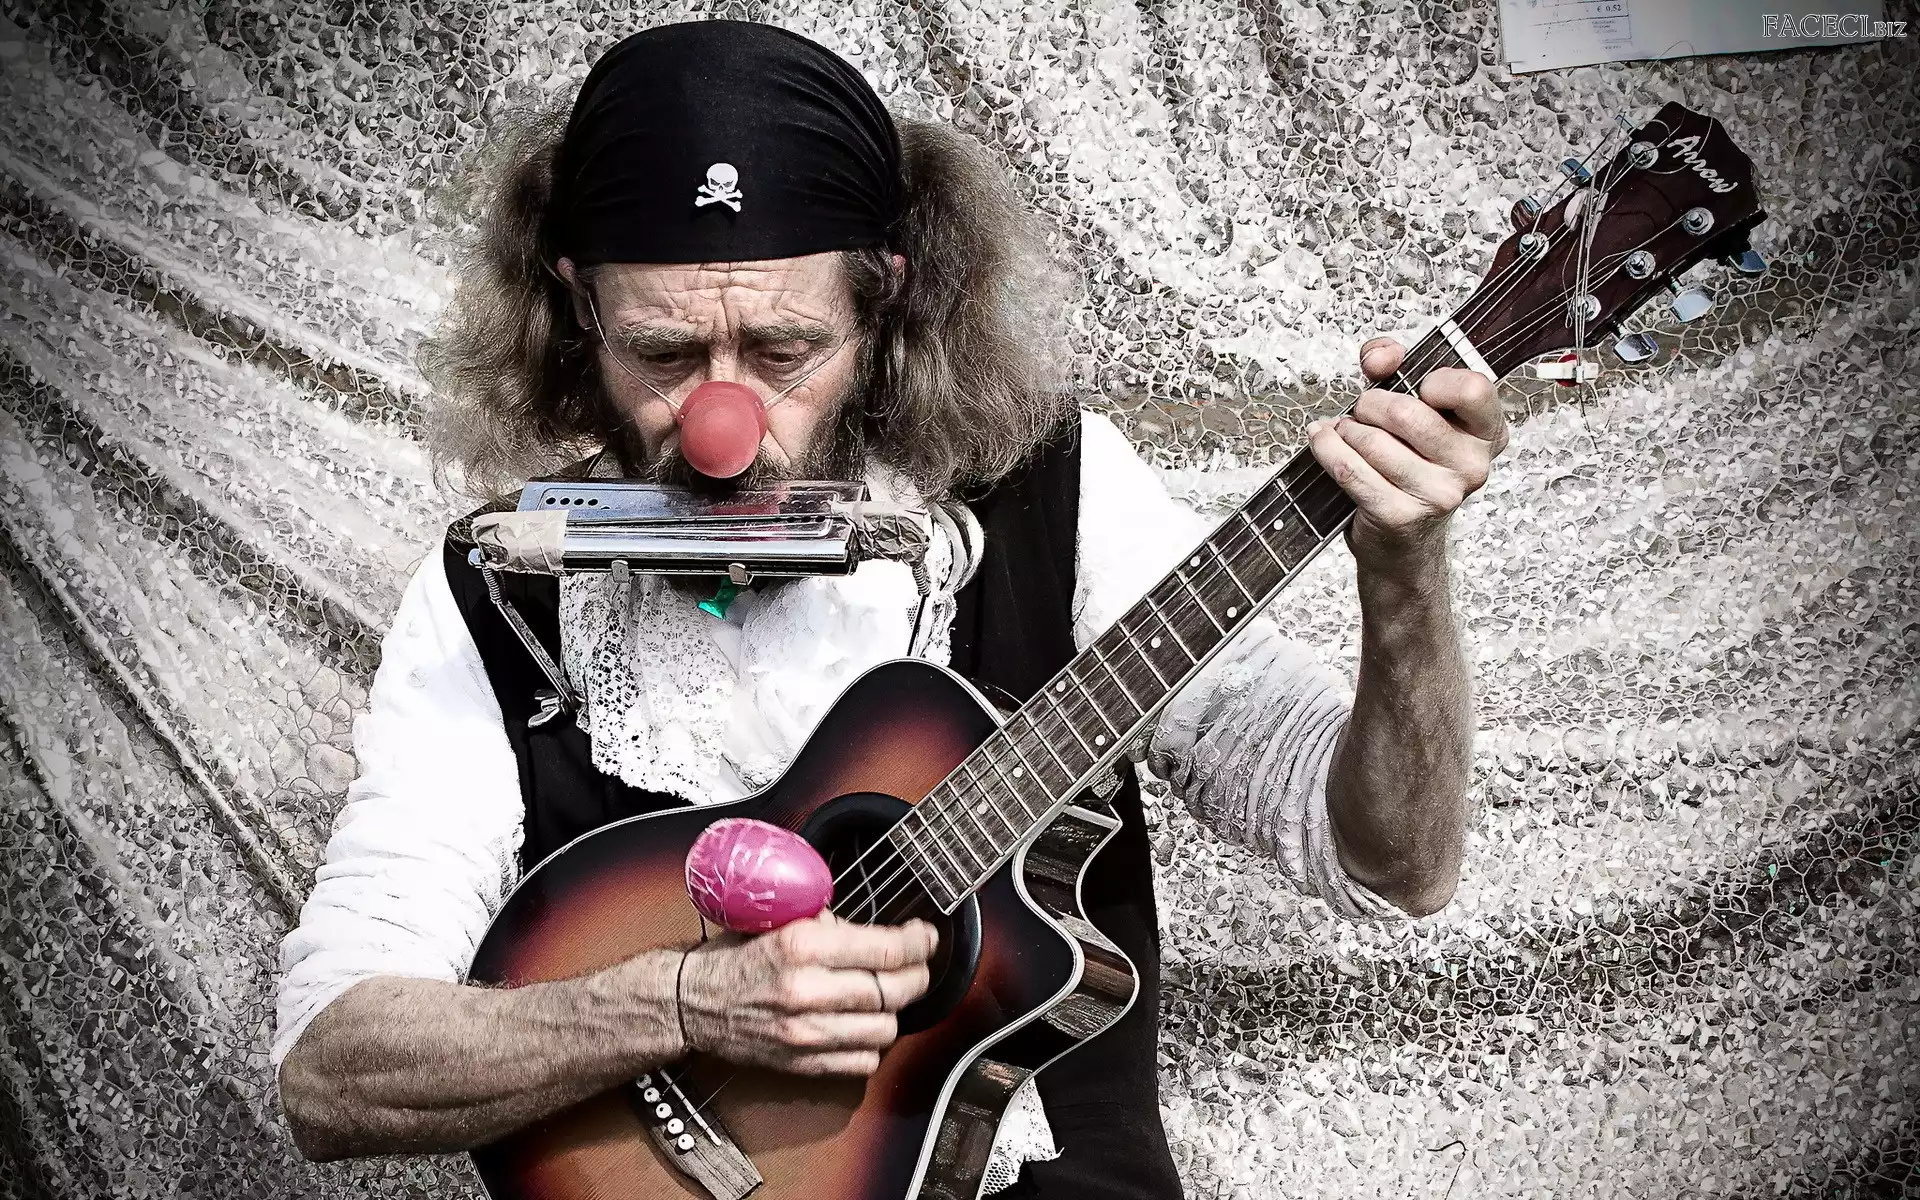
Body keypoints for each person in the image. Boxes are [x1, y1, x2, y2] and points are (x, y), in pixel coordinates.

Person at [272, 19, 1505, 1199]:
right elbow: (332, 1072)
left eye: (783, 351)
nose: (721, 430)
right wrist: (676, 1005)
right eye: (661, 355)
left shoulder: (1059, 498)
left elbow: (1395, 865)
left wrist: (1403, 575)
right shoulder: (500, 591)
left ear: (883, 302)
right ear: (574, 307)